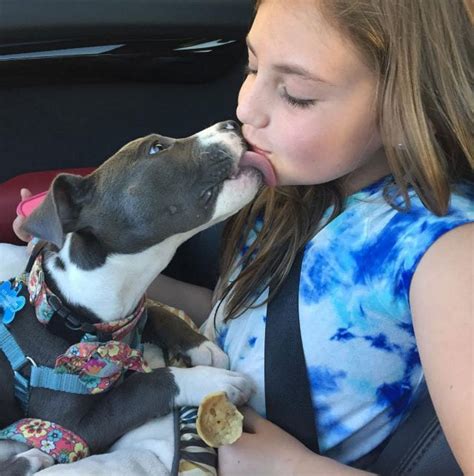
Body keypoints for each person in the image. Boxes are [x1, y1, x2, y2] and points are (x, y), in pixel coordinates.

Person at [12, 0, 473, 474]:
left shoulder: (449, 256)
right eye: (251, 66)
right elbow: (237, 316)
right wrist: (108, 282)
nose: (244, 107)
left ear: (410, 106)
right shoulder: (299, 193)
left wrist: (289, 467)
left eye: (296, 93)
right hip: (182, 408)